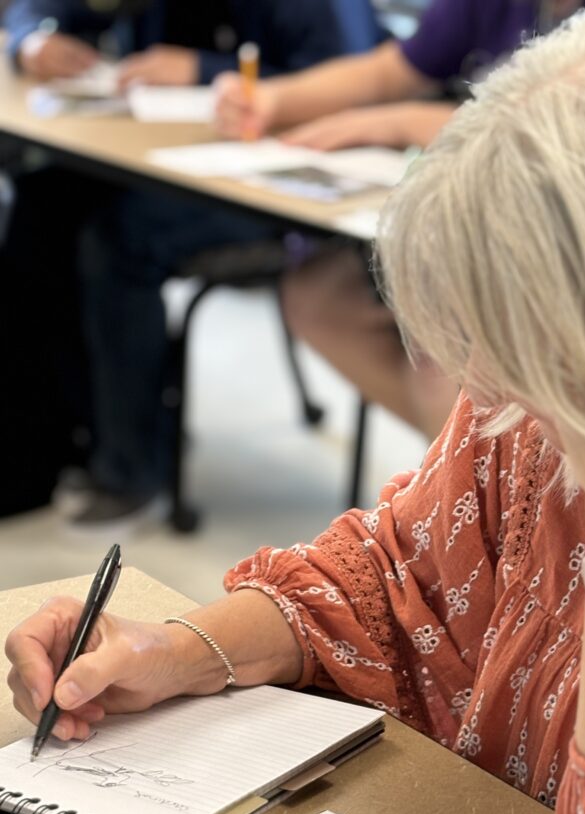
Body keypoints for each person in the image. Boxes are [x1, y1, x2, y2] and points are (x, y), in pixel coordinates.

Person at [7, 0, 585, 814]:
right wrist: (177, 650)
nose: (485, 390)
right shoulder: (528, 418)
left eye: (532, 351)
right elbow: (388, 580)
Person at [214, 0, 585, 442]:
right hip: (491, 244)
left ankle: (494, 475)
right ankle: (478, 475)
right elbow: (391, 70)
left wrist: (403, 121)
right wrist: (273, 100)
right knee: (323, 298)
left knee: (452, 368)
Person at [1, 0, 384, 529]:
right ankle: (63, 436)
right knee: (44, 205)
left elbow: (353, 83)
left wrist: (204, 71)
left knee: (117, 243)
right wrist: (31, 39)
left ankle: (132, 468)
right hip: (162, 151)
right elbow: (43, 6)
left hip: (279, 180)